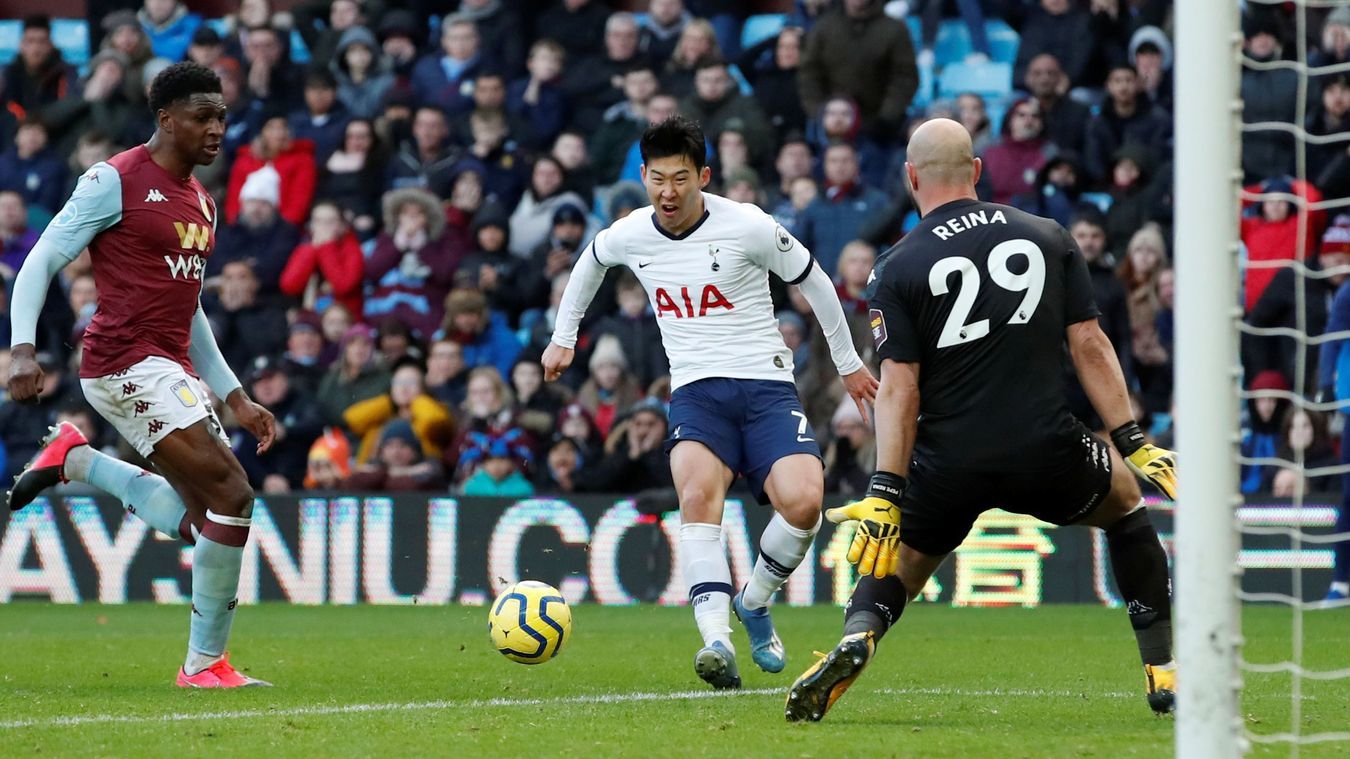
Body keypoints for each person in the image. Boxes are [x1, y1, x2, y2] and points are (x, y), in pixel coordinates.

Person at [784, 119, 1179, 722]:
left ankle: (859, 634)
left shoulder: (896, 266)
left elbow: (900, 391)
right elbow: (1092, 345)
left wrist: (886, 491)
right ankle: (1162, 670)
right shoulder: (1047, 235)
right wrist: (1131, 439)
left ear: (911, 177)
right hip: (1046, 446)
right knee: (1126, 505)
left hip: (950, 461)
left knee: (901, 564)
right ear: (975, 171)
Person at [542, 116, 878, 689]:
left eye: (679, 179)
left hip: (767, 388)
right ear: (643, 176)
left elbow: (816, 281)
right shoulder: (632, 233)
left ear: (704, 175)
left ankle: (754, 602)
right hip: (696, 392)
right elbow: (590, 262)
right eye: (656, 179)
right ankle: (716, 641)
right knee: (697, 496)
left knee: (803, 506)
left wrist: (848, 364)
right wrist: (563, 335)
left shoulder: (747, 225)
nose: (667, 193)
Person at [5, 62, 276, 688]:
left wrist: (234, 393)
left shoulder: (202, 203)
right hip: (123, 360)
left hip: (168, 363)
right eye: (202, 117)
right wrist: (22, 348)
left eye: (221, 117)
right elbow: (42, 258)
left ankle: (77, 460)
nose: (216, 129)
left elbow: (192, 307)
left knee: (207, 521)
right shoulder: (114, 179)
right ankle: (205, 666)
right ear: (166, 119)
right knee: (234, 495)